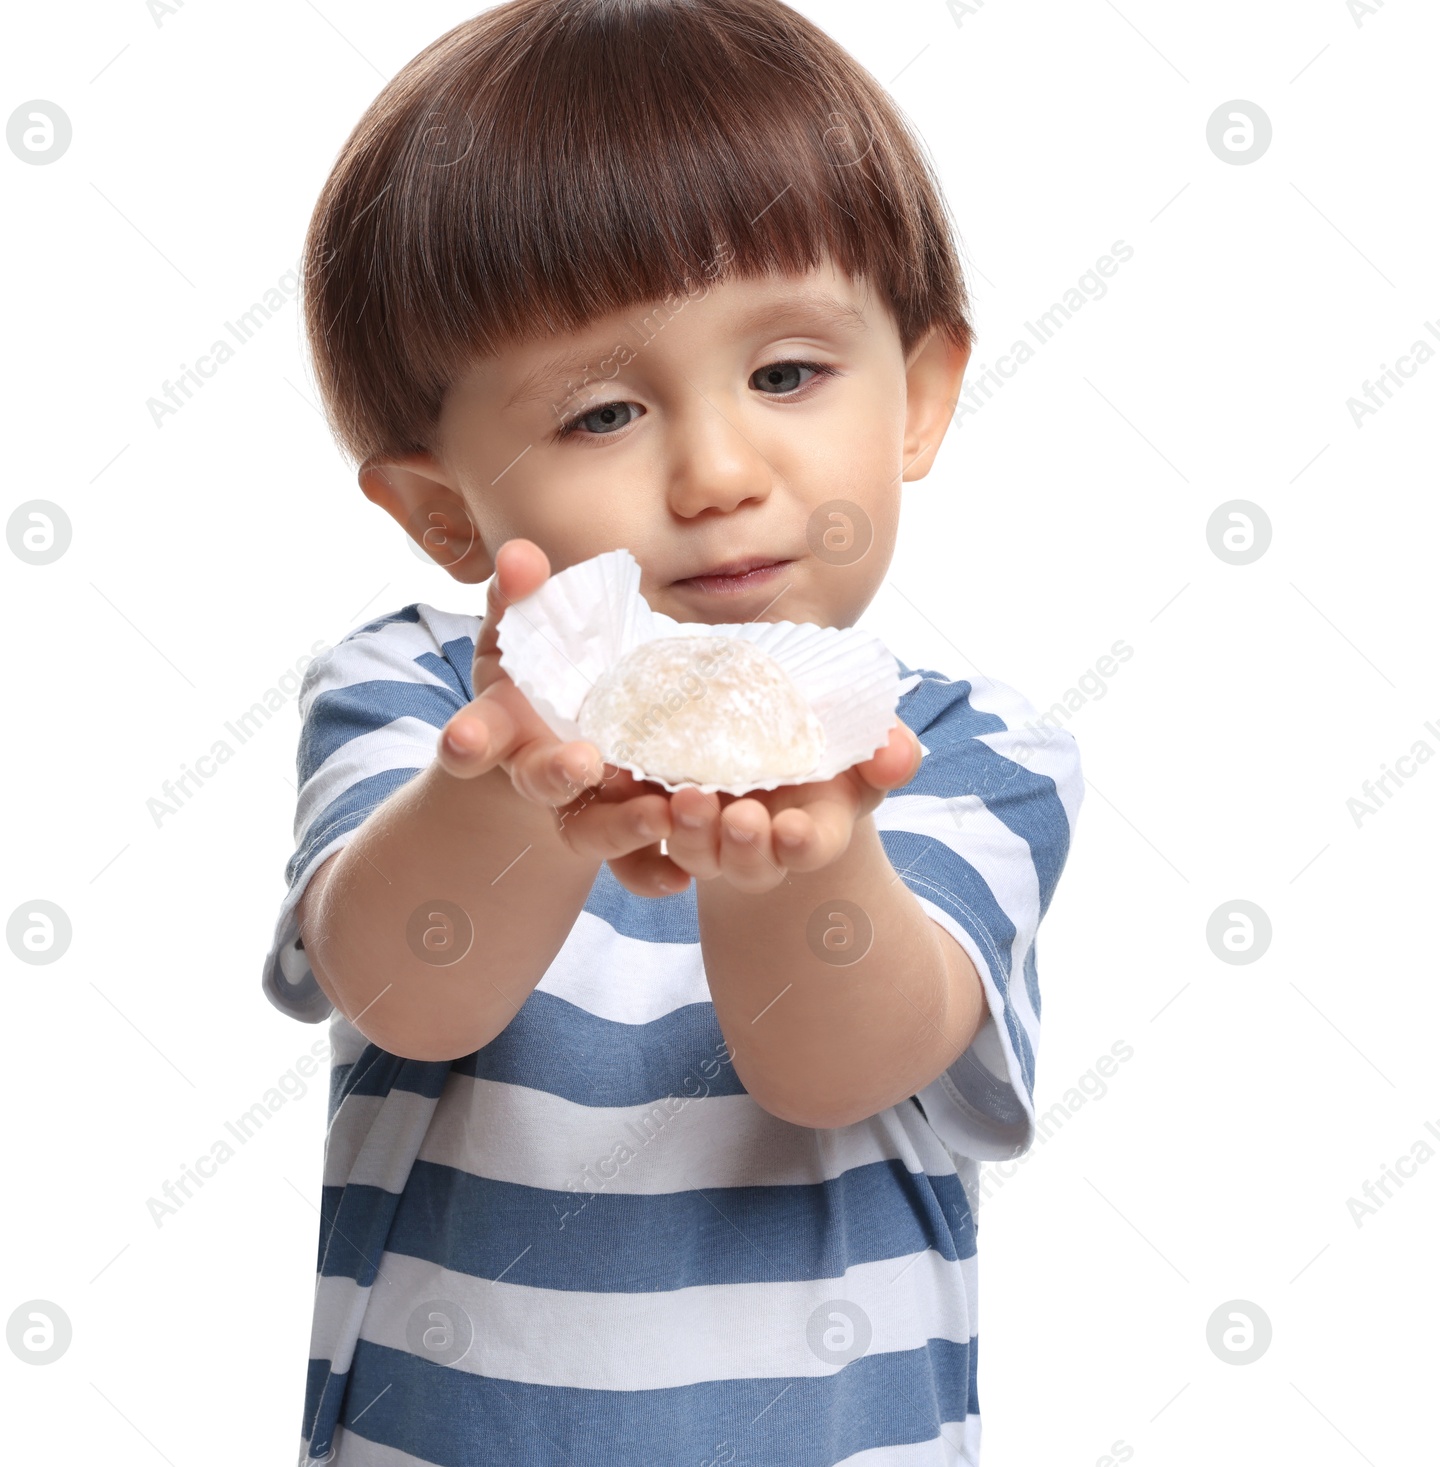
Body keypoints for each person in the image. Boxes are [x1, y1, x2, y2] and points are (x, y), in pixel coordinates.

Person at [260, 1, 1084, 1460]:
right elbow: (404, 988)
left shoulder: (959, 755)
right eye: (601, 415)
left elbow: (834, 1069)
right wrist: (513, 789)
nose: (716, 472)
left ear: (921, 397)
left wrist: (812, 875)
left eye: (785, 375)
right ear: (446, 511)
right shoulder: (416, 701)